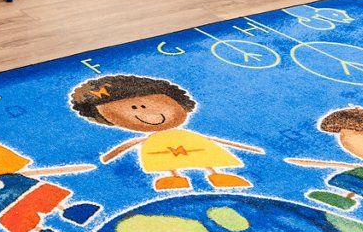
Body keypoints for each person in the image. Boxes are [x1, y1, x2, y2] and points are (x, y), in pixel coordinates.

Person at [70, 74, 264, 191]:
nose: (144, 112)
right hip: (158, 148)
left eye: (145, 105)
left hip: (193, 144)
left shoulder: (188, 133)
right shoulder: (149, 138)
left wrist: (247, 148)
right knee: (168, 163)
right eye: (134, 108)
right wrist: (110, 155)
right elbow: (129, 145)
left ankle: (217, 174)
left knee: (206, 157)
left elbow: (215, 140)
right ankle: (174, 177)